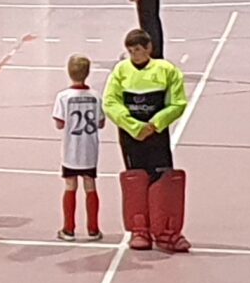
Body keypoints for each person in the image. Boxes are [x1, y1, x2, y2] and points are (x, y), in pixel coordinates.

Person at [103, 28, 191, 252]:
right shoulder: (121, 71)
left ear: (149, 48)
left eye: (139, 50)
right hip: (131, 137)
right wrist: (134, 127)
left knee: (163, 178)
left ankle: (166, 231)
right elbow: (110, 102)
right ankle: (139, 229)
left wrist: (155, 124)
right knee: (136, 179)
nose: (135, 55)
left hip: (156, 136)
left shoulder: (167, 70)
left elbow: (178, 103)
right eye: (131, 51)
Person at [53, 55, 104, 241]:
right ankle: (93, 229)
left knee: (70, 186)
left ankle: (69, 229)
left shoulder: (63, 97)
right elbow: (100, 122)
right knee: (90, 186)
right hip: (89, 151)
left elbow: (59, 123)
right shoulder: (96, 96)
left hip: (71, 151)